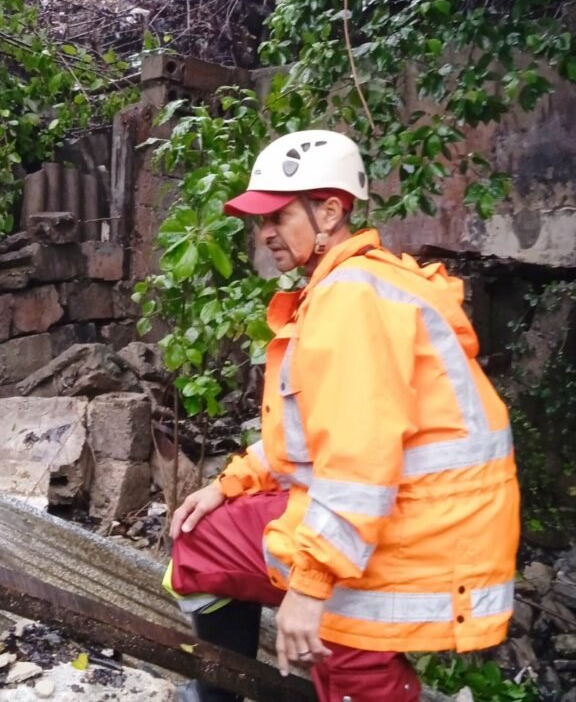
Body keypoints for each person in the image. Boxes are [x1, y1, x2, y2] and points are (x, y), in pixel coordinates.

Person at [163, 129, 520, 702]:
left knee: (349, 661)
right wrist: (229, 484)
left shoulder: (350, 300)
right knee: (204, 537)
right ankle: (218, 694)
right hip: (414, 522)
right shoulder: (355, 286)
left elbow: (360, 462)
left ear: (329, 212)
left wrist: (310, 585)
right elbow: (313, 438)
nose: (264, 233)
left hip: (413, 536)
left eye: (278, 216)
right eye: (260, 220)